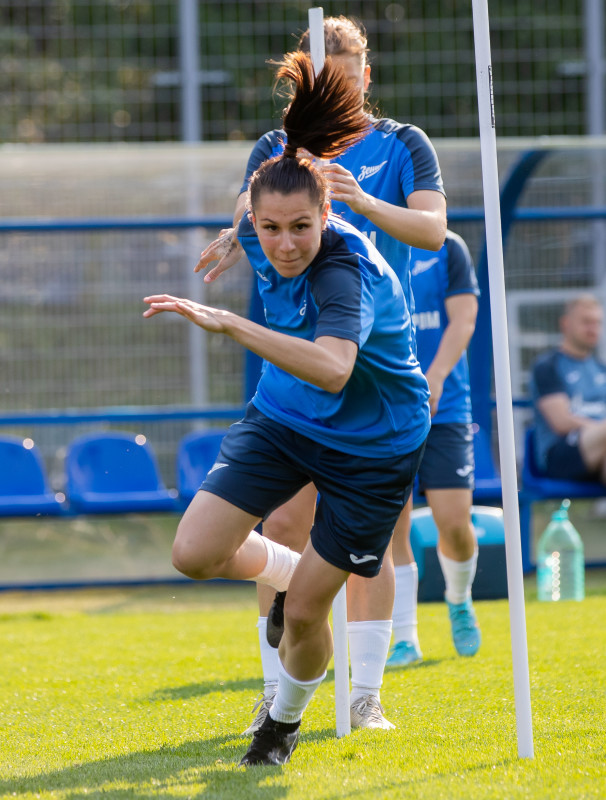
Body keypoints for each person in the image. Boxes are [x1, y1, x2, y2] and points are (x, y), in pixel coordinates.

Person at [144, 51, 430, 767]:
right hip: (283, 419)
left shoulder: (347, 268)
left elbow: (335, 370)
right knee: (193, 554)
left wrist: (230, 323)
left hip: (375, 444)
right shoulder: (256, 224)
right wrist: (236, 230)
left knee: (305, 614)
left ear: (326, 215)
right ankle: (282, 571)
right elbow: (255, 204)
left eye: (300, 227)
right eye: (270, 229)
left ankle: (284, 724)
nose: (284, 243)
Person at [204, 15, 446, 734]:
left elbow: (434, 231)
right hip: (298, 360)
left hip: (375, 368)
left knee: (374, 537)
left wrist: (363, 202)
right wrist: (232, 233)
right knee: (281, 521)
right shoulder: (279, 147)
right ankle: (275, 687)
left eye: (343, 80)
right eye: (318, 81)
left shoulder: (402, 144)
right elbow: (250, 210)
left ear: (364, 78)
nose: (331, 98)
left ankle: (363, 694)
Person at [387, 230, 481, 667]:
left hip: (446, 406)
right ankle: (405, 637)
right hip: (388, 408)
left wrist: (437, 375)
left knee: (455, 524)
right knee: (393, 528)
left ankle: (459, 599)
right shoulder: (366, 240)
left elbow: (464, 319)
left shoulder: (447, 246)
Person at [530, 294, 606, 484]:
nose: (593, 329)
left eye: (597, 323)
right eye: (586, 322)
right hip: (561, 454)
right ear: (565, 323)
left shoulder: (600, 368)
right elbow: (561, 422)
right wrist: (601, 430)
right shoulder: (548, 366)